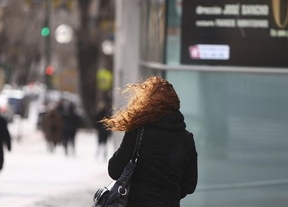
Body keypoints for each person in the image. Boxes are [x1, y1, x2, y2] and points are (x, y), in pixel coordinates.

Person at [100, 76, 198, 207]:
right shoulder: (187, 139)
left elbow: (114, 170)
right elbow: (190, 185)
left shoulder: (138, 131)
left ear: (146, 103)